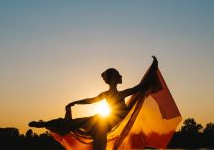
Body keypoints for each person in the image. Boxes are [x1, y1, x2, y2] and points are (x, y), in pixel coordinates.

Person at [29, 56, 159, 150]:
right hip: (104, 122)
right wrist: (75, 102)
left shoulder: (114, 94)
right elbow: (90, 100)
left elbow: (140, 87)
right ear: (114, 79)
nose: (121, 76)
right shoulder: (117, 94)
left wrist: (153, 68)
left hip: (106, 121)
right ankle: (45, 123)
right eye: (119, 75)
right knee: (83, 124)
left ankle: (45, 123)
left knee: (82, 123)